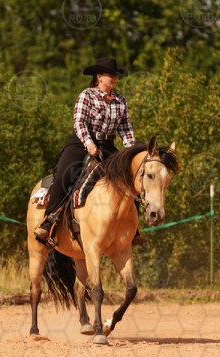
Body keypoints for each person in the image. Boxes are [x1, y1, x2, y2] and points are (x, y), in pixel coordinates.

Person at [34, 57, 147, 245]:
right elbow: (79, 122)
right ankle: (49, 220)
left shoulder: (121, 100)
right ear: (99, 76)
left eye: (116, 76)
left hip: (107, 145)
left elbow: (126, 129)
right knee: (64, 175)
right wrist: (89, 142)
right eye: (111, 75)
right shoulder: (86, 95)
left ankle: (133, 229)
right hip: (81, 143)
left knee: (131, 177)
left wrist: (130, 151)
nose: (115, 78)